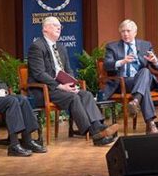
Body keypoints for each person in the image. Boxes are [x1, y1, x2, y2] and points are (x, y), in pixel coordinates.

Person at [27, 16, 118, 146]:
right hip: (44, 90)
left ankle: (98, 125)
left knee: (85, 94)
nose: (59, 28)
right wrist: (60, 86)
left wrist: (71, 83)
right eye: (54, 25)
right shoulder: (37, 47)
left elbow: (68, 70)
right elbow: (39, 73)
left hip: (62, 88)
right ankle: (95, 134)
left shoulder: (61, 48)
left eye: (60, 26)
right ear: (45, 29)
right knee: (73, 98)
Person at [102, 19, 158, 134]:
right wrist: (121, 61)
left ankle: (135, 101)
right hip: (123, 82)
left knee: (145, 71)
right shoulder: (112, 47)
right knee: (143, 88)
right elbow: (107, 65)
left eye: (128, 31)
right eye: (123, 31)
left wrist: (155, 61)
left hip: (141, 79)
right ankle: (151, 124)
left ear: (135, 32)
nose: (125, 34)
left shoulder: (145, 45)